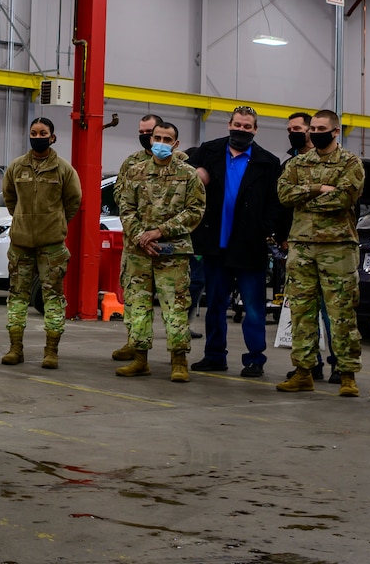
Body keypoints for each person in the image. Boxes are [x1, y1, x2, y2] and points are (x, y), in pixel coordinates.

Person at [187, 106, 286, 377]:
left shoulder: (267, 162)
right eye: (237, 125)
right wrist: (198, 171)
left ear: (255, 130)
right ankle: (214, 355)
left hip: (249, 246)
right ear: (229, 124)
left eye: (247, 127)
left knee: (254, 308)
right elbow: (183, 173)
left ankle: (255, 359)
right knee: (215, 304)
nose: (241, 130)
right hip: (215, 245)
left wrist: (263, 229)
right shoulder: (208, 151)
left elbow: (275, 203)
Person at [275, 109, 365, 396]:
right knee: (301, 312)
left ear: (335, 131)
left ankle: (347, 374)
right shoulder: (297, 162)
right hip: (301, 246)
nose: (315, 132)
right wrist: (317, 188)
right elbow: (283, 195)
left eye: (321, 128)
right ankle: (304, 370)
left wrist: (306, 198)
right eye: (312, 128)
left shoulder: (351, 162)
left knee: (341, 313)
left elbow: (344, 198)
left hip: (338, 247)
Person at [113, 119, 206, 382]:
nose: (161, 144)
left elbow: (195, 211)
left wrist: (159, 232)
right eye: (157, 138)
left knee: (175, 308)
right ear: (150, 140)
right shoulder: (135, 171)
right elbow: (126, 207)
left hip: (172, 252)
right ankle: (140, 359)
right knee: (138, 307)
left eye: (167, 140)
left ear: (175, 144)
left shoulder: (188, 174)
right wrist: (141, 236)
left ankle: (179, 361)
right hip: (138, 252)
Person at [1, 116, 82, 369]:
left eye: (43, 132)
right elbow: (9, 197)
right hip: (21, 243)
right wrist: (22, 220)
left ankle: (51, 351)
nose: (38, 137)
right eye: (34, 133)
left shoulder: (63, 169)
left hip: (52, 245)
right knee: (17, 296)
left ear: (53, 137)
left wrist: (55, 223)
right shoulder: (16, 167)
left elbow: (73, 201)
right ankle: (15, 348)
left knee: (53, 298)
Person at [111, 113, 163, 362]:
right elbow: (121, 199)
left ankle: (177, 352)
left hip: (166, 242)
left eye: (149, 131)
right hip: (135, 242)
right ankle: (134, 341)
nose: (145, 136)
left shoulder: (181, 163)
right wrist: (140, 234)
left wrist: (158, 232)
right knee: (133, 296)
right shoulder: (131, 162)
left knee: (172, 299)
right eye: (141, 132)